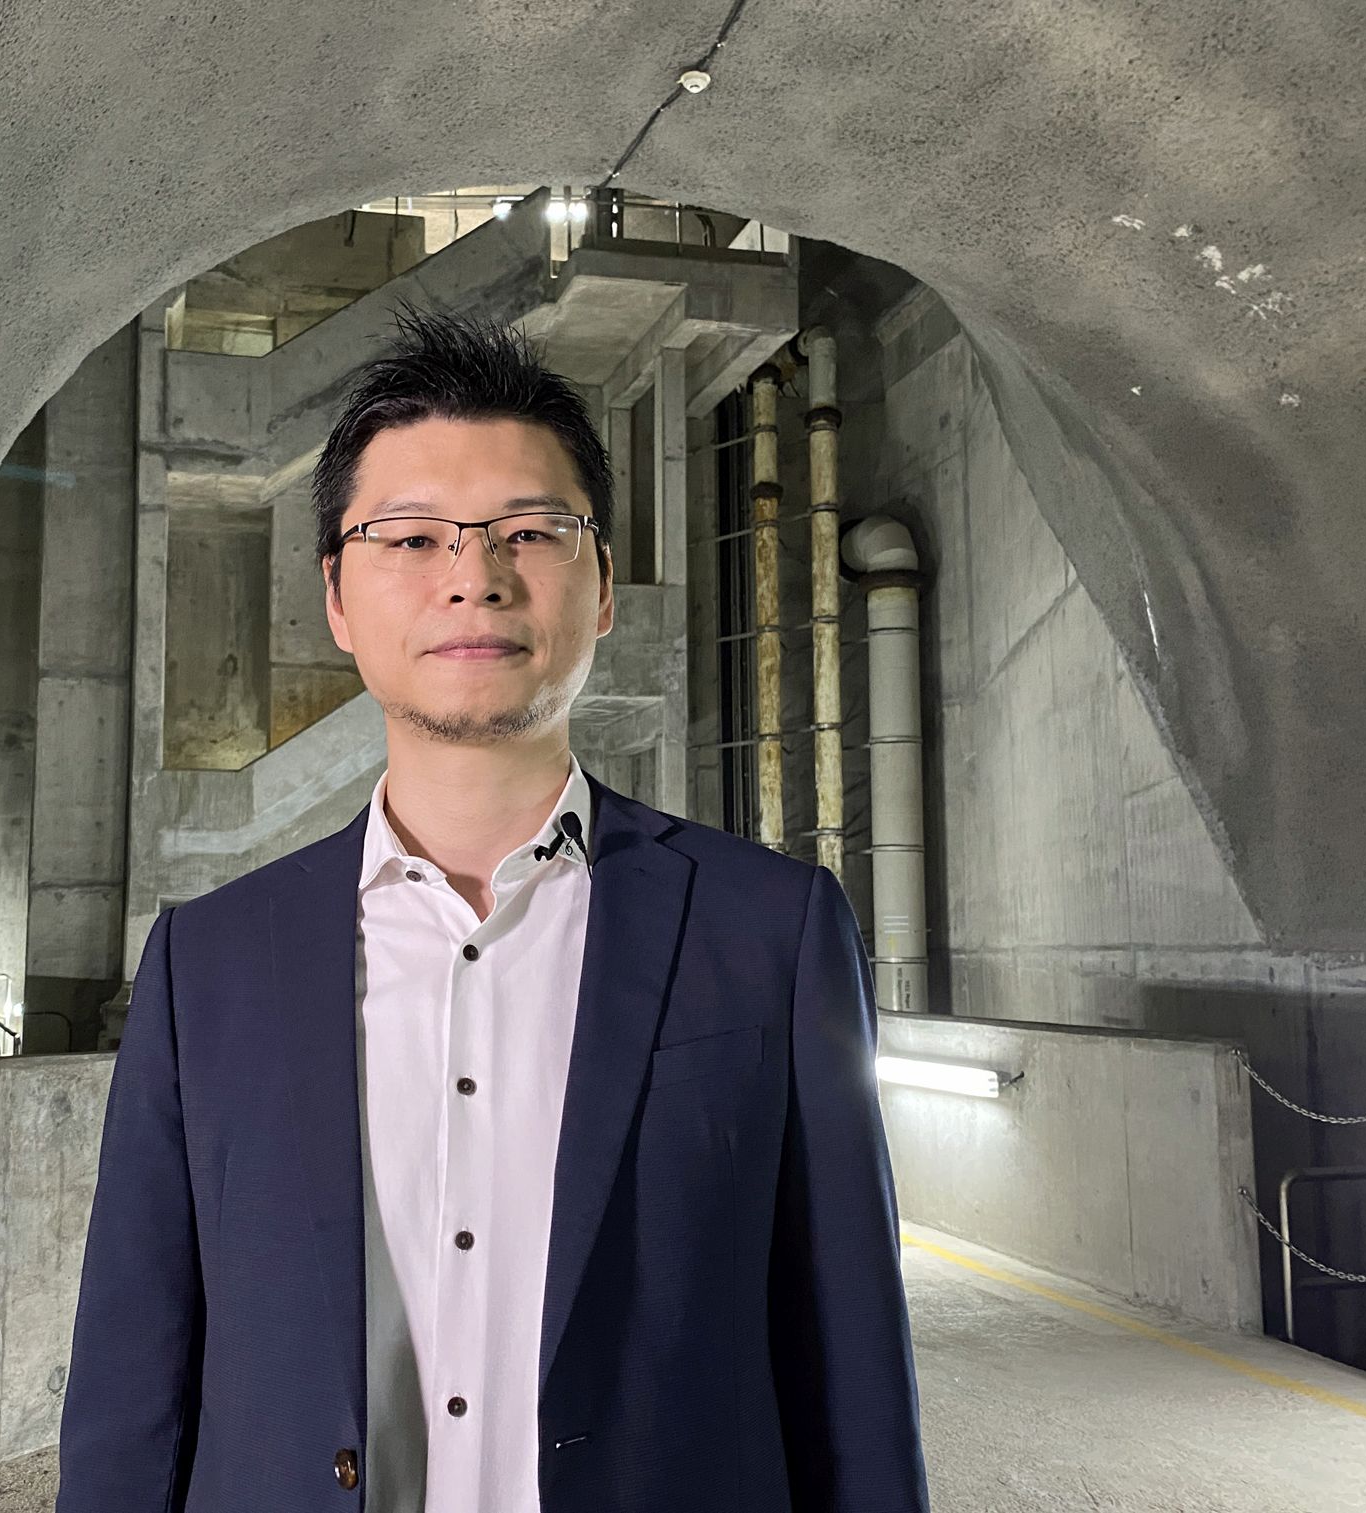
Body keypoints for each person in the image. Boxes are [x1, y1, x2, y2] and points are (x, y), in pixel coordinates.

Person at [55, 306, 928, 1513]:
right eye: (410, 537)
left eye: (530, 529)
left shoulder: (770, 933)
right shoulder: (206, 965)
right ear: (336, 596)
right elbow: (131, 1384)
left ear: (603, 584)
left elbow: (850, 1374)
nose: (474, 575)